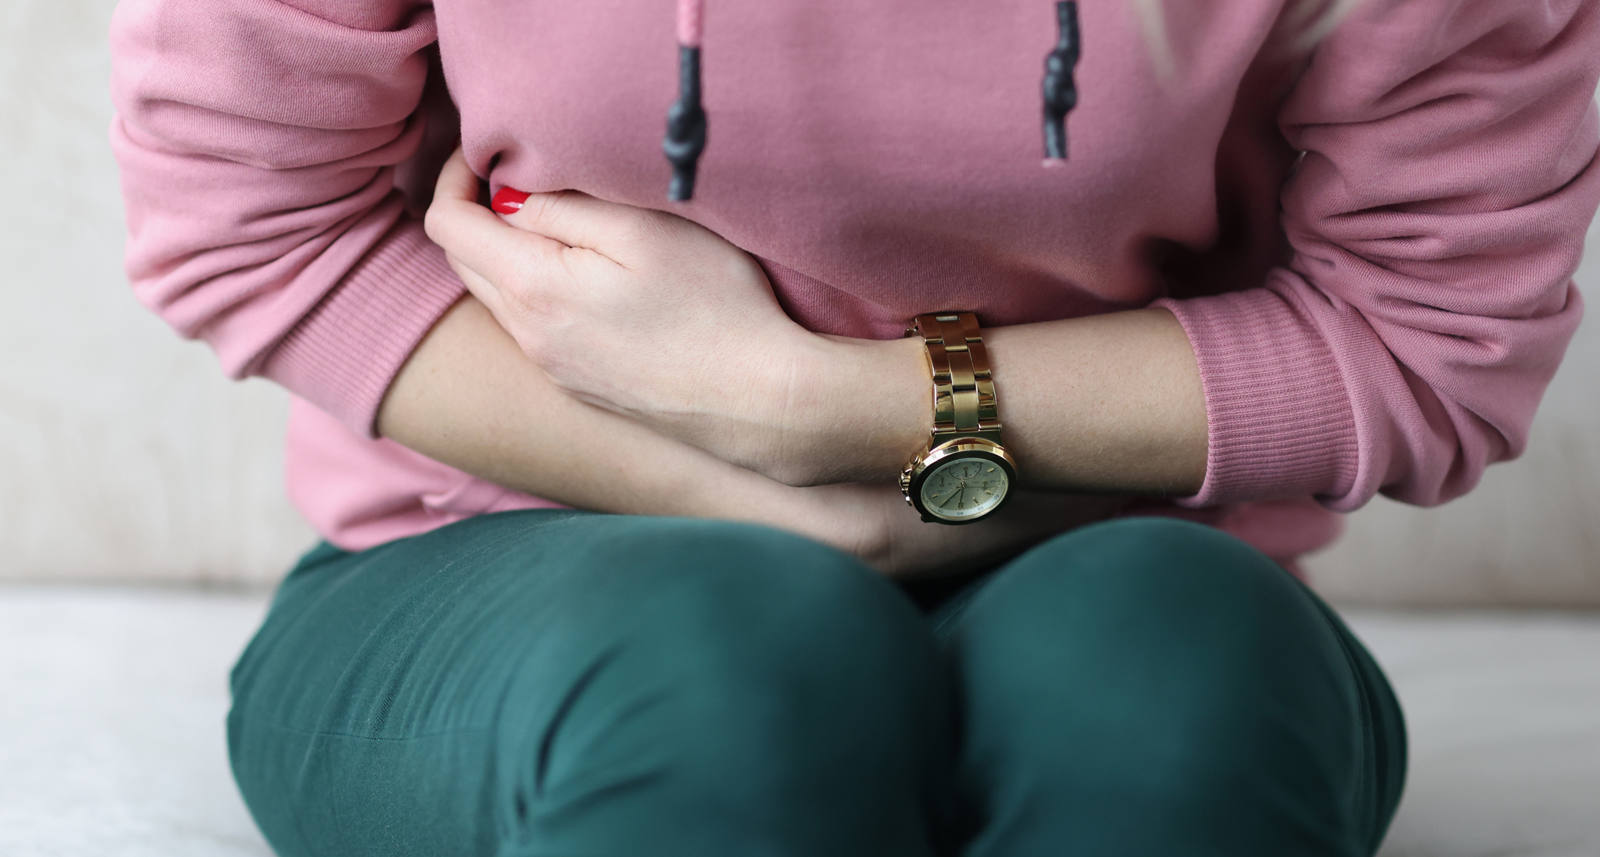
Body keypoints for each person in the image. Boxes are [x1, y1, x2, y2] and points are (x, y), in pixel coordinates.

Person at [106, 0, 1600, 854]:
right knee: (724, 665)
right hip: (497, 561)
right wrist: (801, 517)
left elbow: (1428, 335)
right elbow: (250, 222)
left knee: (1178, 676)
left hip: (1123, 561)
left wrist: (818, 411)